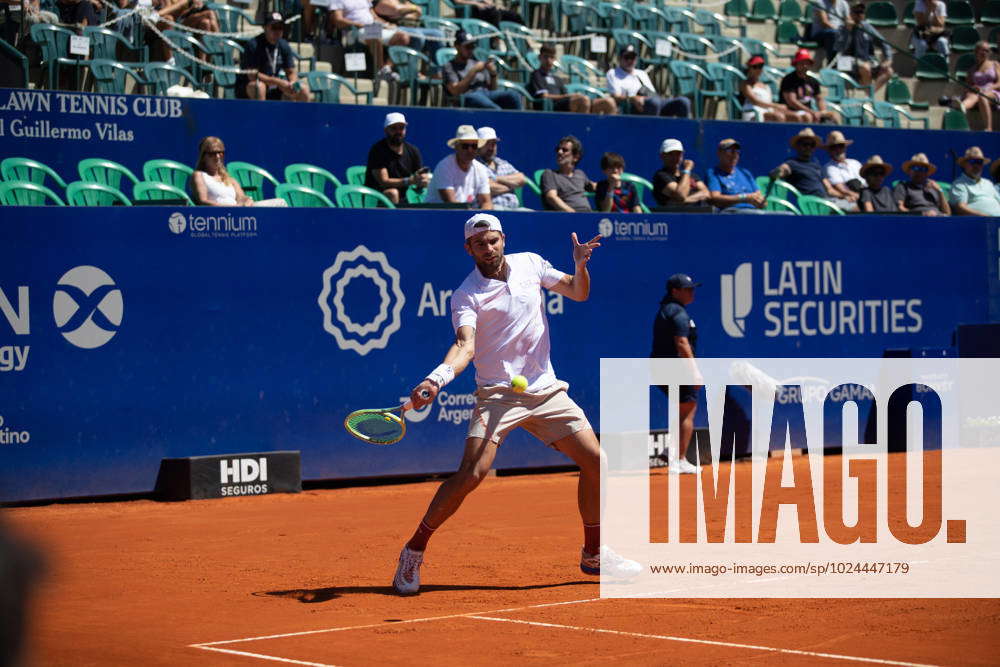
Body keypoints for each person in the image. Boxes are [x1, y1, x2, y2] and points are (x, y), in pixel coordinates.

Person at [391, 212, 641, 594]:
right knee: (471, 475)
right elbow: (465, 345)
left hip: (546, 390)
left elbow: (578, 291)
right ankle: (413, 550)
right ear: (468, 249)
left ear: (503, 239)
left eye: (492, 240)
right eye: (479, 243)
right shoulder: (466, 295)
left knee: (597, 461)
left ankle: (593, 555)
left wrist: (579, 265)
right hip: (498, 395)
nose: (487, 248)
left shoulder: (532, 263)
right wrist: (436, 378)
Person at [651, 273, 702, 475]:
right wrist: (695, 371)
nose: (692, 292)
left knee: (682, 410)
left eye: (692, 288)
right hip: (677, 369)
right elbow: (681, 343)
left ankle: (671, 451)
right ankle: (678, 460)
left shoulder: (666, 310)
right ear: (675, 291)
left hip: (661, 367)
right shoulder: (678, 313)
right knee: (688, 410)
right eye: (687, 289)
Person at [769, 127, 850, 210]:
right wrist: (778, 172)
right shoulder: (791, 163)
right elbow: (782, 170)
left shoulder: (816, 165)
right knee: (856, 208)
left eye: (812, 145)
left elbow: (829, 189)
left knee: (857, 205)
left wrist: (845, 196)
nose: (808, 147)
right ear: (797, 146)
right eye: (805, 144)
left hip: (827, 202)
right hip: (812, 205)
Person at [239, 13, 312, 102]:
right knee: (259, 87)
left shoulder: (283, 45)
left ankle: (300, 116)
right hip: (252, 86)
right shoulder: (254, 45)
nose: (277, 31)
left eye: (280, 28)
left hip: (276, 86)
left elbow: (291, 71)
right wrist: (277, 82)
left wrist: (292, 82)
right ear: (265, 28)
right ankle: (262, 115)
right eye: (274, 27)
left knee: (303, 89)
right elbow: (252, 75)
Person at [529, 43, 616, 114]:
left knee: (609, 102)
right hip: (552, 107)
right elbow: (545, 96)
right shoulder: (536, 75)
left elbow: (565, 95)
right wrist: (569, 96)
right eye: (546, 57)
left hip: (566, 104)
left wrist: (570, 96)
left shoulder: (557, 78)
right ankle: (582, 132)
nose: (549, 61)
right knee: (583, 100)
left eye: (551, 57)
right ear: (540, 57)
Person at [364, 112, 431, 205]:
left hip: (405, 198)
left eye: (401, 128)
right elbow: (384, 182)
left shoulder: (413, 150)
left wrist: (422, 180)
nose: (398, 132)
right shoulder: (377, 151)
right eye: (394, 128)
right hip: (375, 199)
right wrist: (409, 181)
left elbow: (418, 176)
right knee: (393, 193)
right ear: (386, 130)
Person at [444, 30, 522, 110]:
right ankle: (500, 119)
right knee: (494, 108)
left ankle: (520, 122)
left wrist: (493, 74)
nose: (471, 50)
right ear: (457, 46)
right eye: (468, 47)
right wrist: (473, 71)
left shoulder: (476, 62)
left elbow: (493, 89)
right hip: (468, 96)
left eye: (472, 46)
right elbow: (455, 91)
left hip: (486, 94)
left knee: (514, 96)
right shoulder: (450, 66)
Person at [606, 44, 691, 118]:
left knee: (683, 102)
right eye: (627, 57)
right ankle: (654, 133)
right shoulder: (613, 73)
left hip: (652, 101)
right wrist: (632, 98)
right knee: (654, 103)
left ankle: (684, 134)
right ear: (620, 58)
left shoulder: (641, 73)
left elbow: (652, 93)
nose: (630, 61)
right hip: (634, 105)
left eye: (632, 57)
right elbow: (615, 96)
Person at [425, 125, 493, 208]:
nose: (470, 150)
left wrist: (482, 218)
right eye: (465, 146)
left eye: (474, 146)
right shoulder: (444, 167)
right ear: (456, 147)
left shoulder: (481, 169)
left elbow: (486, 202)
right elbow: (452, 204)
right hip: (435, 216)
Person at [834, 2, 894, 92]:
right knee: (865, 67)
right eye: (856, 12)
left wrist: (888, 59)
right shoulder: (843, 28)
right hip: (845, 61)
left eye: (861, 12)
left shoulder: (867, 27)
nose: (859, 15)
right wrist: (848, 31)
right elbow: (839, 48)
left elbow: (884, 43)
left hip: (866, 60)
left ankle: (869, 94)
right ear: (851, 14)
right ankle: (869, 96)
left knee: (888, 71)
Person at [780, 49, 840, 124]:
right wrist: (811, 111)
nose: (804, 66)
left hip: (808, 111)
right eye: (801, 63)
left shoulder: (812, 81)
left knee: (834, 115)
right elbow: (792, 102)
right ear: (796, 64)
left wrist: (822, 112)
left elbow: (819, 99)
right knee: (807, 116)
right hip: (791, 111)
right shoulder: (789, 80)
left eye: (806, 63)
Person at [190, 136, 254, 206]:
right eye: (212, 153)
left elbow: (241, 197)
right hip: (215, 215)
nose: (218, 156)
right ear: (203, 157)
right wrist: (231, 207)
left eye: (221, 152)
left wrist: (247, 200)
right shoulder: (199, 175)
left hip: (236, 215)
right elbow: (203, 201)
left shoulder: (230, 179)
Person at [950, 42, 1000, 132]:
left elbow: (999, 83)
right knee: (971, 95)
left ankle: (988, 128)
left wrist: (988, 88)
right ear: (976, 51)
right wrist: (973, 88)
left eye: (987, 51)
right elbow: (967, 86)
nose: (985, 53)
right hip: (977, 93)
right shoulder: (972, 69)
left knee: (982, 96)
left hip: (993, 92)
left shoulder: (995, 64)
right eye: (983, 50)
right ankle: (963, 107)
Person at [706, 138, 765, 211]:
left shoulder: (745, 173)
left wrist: (761, 201)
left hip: (753, 212)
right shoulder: (713, 173)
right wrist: (744, 197)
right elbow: (715, 198)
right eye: (730, 151)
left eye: (737, 152)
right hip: (731, 213)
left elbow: (759, 196)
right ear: (719, 153)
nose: (734, 155)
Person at [475, 127, 527, 211]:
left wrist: (496, 179)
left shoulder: (503, 163)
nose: (491, 147)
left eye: (494, 143)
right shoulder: (474, 164)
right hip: (493, 209)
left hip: (516, 209)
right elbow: (486, 188)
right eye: (487, 143)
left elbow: (522, 179)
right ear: (478, 145)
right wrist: (511, 186)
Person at [739, 55, 803, 122]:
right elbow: (755, 101)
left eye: (760, 66)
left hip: (767, 110)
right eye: (755, 67)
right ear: (749, 68)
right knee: (778, 117)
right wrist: (776, 106)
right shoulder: (745, 84)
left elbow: (768, 103)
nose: (758, 69)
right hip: (752, 111)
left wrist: (777, 108)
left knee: (796, 117)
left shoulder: (765, 85)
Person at [541, 135, 595, 212]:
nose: (559, 152)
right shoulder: (549, 174)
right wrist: (573, 214)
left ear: (575, 157)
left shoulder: (580, 174)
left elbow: (594, 187)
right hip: (568, 218)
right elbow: (551, 197)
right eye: (558, 149)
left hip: (589, 215)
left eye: (564, 150)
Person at [652, 138, 709, 207]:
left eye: (678, 154)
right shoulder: (661, 176)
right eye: (670, 154)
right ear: (662, 156)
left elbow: (706, 193)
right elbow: (681, 195)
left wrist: (685, 200)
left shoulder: (691, 175)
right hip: (674, 216)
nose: (675, 157)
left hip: (700, 215)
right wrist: (687, 170)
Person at [950, 147, 1000, 217]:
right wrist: (985, 217)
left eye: (979, 162)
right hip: (979, 224)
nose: (976, 165)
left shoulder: (988, 183)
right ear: (964, 164)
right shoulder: (959, 184)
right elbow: (960, 208)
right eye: (972, 161)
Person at [820, 130, 862, 212]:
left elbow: (866, 183)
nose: (838, 149)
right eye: (834, 147)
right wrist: (861, 197)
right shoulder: (829, 167)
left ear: (845, 147)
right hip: (849, 201)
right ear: (829, 150)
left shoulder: (855, 163)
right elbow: (842, 189)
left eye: (840, 146)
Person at [452, 0, 525, 27]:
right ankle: (496, 39)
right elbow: (458, 1)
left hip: (486, 8)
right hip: (471, 10)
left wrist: (490, 3)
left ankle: (527, 42)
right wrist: (475, 3)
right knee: (495, 14)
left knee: (514, 16)